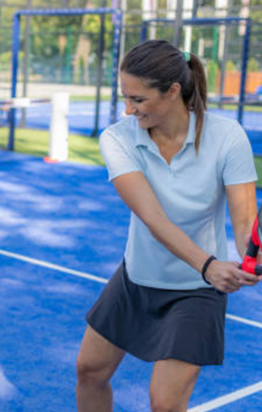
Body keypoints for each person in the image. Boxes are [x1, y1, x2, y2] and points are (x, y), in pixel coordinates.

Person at [76, 40, 260, 412]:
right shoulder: (117, 138)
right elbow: (152, 216)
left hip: (196, 292)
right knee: (89, 371)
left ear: (173, 91)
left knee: (164, 403)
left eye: (138, 100)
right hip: (138, 278)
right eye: (125, 97)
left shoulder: (227, 137)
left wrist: (251, 253)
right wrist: (209, 265)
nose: (128, 109)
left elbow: (245, 222)